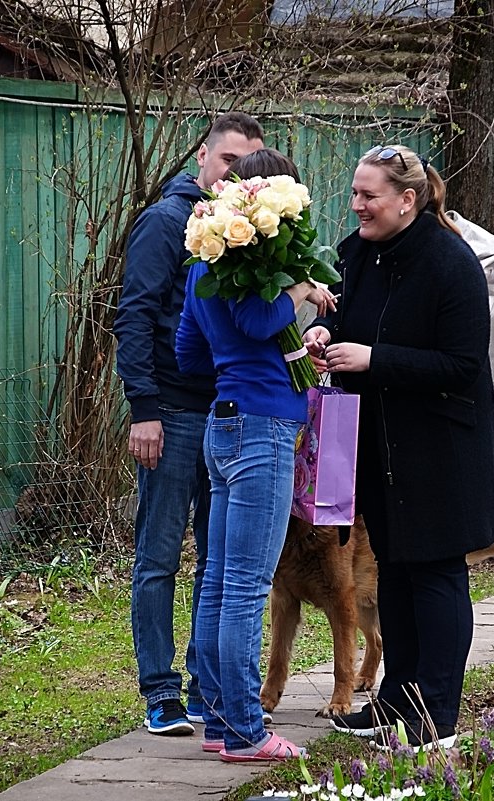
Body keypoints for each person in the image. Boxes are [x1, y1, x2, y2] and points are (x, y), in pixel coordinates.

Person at [303, 144, 494, 752]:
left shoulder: (450, 263)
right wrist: (324, 332)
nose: (357, 205)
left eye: (369, 196)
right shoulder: (356, 254)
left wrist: (374, 360)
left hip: (440, 450)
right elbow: (348, 318)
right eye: (356, 194)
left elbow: (462, 365)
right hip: (378, 449)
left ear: (408, 200)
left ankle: (436, 712)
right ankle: (394, 704)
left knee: (435, 576)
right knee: (396, 576)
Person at [176, 148, 336, 761]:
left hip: (223, 423)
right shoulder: (249, 259)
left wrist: (256, 359)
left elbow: (192, 352)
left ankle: (218, 718)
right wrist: (297, 290)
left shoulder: (202, 265)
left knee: (219, 580)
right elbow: (258, 318)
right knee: (243, 585)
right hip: (262, 432)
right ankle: (245, 729)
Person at [114, 111, 265, 736]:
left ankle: (206, 687)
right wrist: (143, 409)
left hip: (224, 414)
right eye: (228, 160)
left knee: (217, 558)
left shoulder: (251, 231)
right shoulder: (167, 221)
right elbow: (135, 316)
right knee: (158, 556)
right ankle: (160, 693)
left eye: (248, 165)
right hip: (172, 415)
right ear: (202, 155)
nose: (236, 174)